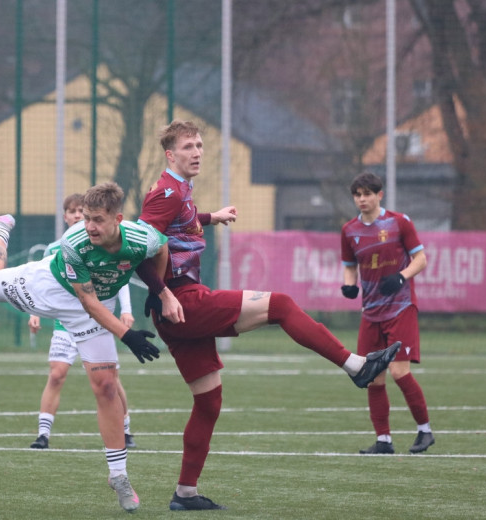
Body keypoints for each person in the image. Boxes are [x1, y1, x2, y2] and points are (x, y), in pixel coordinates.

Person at [137, 119, 401, 511]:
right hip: (181, 302)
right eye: (189, 147)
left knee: (208, 403)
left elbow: (178, 224)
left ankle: (185, 494)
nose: (197, 152)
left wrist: (212, 217)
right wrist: (162, 293)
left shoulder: (180, 191)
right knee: (280, 305)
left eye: (199, 145)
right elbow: (138, 250)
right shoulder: (166, 193)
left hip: (176, 305)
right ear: (170, 154)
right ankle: (356, 366)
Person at [0, 182, 183, 513]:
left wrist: (161, 291)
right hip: (48, 288)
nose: (89, 226)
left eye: (97, 220)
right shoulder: (74, 241)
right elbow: (89, 302)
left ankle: (119, 475)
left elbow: (161, 247)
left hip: (89, 308)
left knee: (106, 385)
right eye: (86, 218)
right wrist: (127, 335)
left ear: (118, 219)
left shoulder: (140, 237)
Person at [28, 193, 138, 450]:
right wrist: (34, 312)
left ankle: (126, 429)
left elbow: (118, 278)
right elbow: (42, 284)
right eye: (73, 211)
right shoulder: (56, 248)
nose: (78, 215)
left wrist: (127, 310)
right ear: (65, 216)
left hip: (98, 320)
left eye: (82, 211)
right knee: (56, 374)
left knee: (111, 379)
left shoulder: (105, 243)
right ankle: (43, 434)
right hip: (65, 322)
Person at [341, 171, 435, 455]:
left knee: (398, 371)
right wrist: (349, 286)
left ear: (379, 195)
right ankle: (383, 440)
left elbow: (421, 258)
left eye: (367, 194)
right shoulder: (349, 231)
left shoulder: (399, 222)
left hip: (401, 307)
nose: (362, 199)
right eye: (358, 195)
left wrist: (402, 277)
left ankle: (424, 431)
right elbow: (349, 266)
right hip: (371, 312)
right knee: (372, 377)